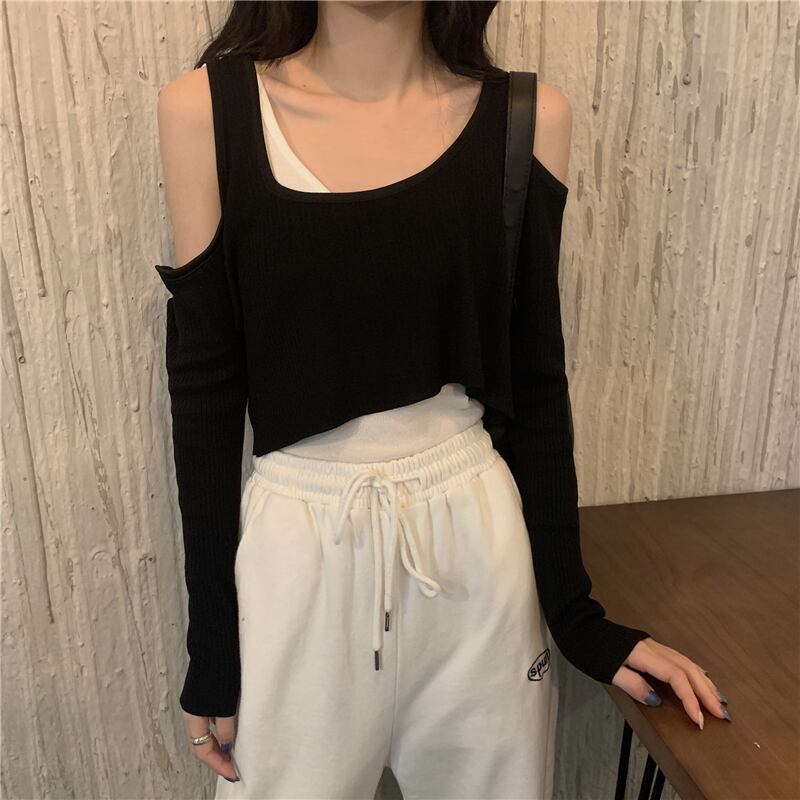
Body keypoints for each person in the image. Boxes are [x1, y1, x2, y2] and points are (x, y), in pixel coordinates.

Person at [154, 2, 730, 797]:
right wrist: (213, 647)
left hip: (475, 555)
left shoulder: (527, 121)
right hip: (299, 556)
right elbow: (206, 392)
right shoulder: (207, 113)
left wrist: (577, 617)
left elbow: (534, 382)